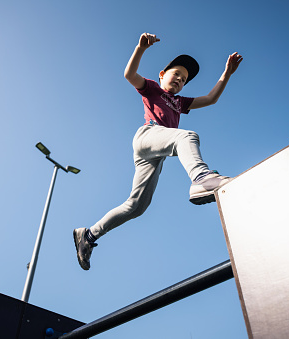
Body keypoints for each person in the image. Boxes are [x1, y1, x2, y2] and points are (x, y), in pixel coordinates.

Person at [73, 33, 243, 270]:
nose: (179, 81)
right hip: (148, 137)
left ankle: (89, 235)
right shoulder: (152, 88)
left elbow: (211, 98)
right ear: (163, 74)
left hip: (157, 153)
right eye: (176, 74)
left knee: (137, 206)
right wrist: (140, 48)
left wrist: (226, 74)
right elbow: (129, 75)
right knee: (187, 136)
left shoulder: (180, 102)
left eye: (184, 80)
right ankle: (201, 178)